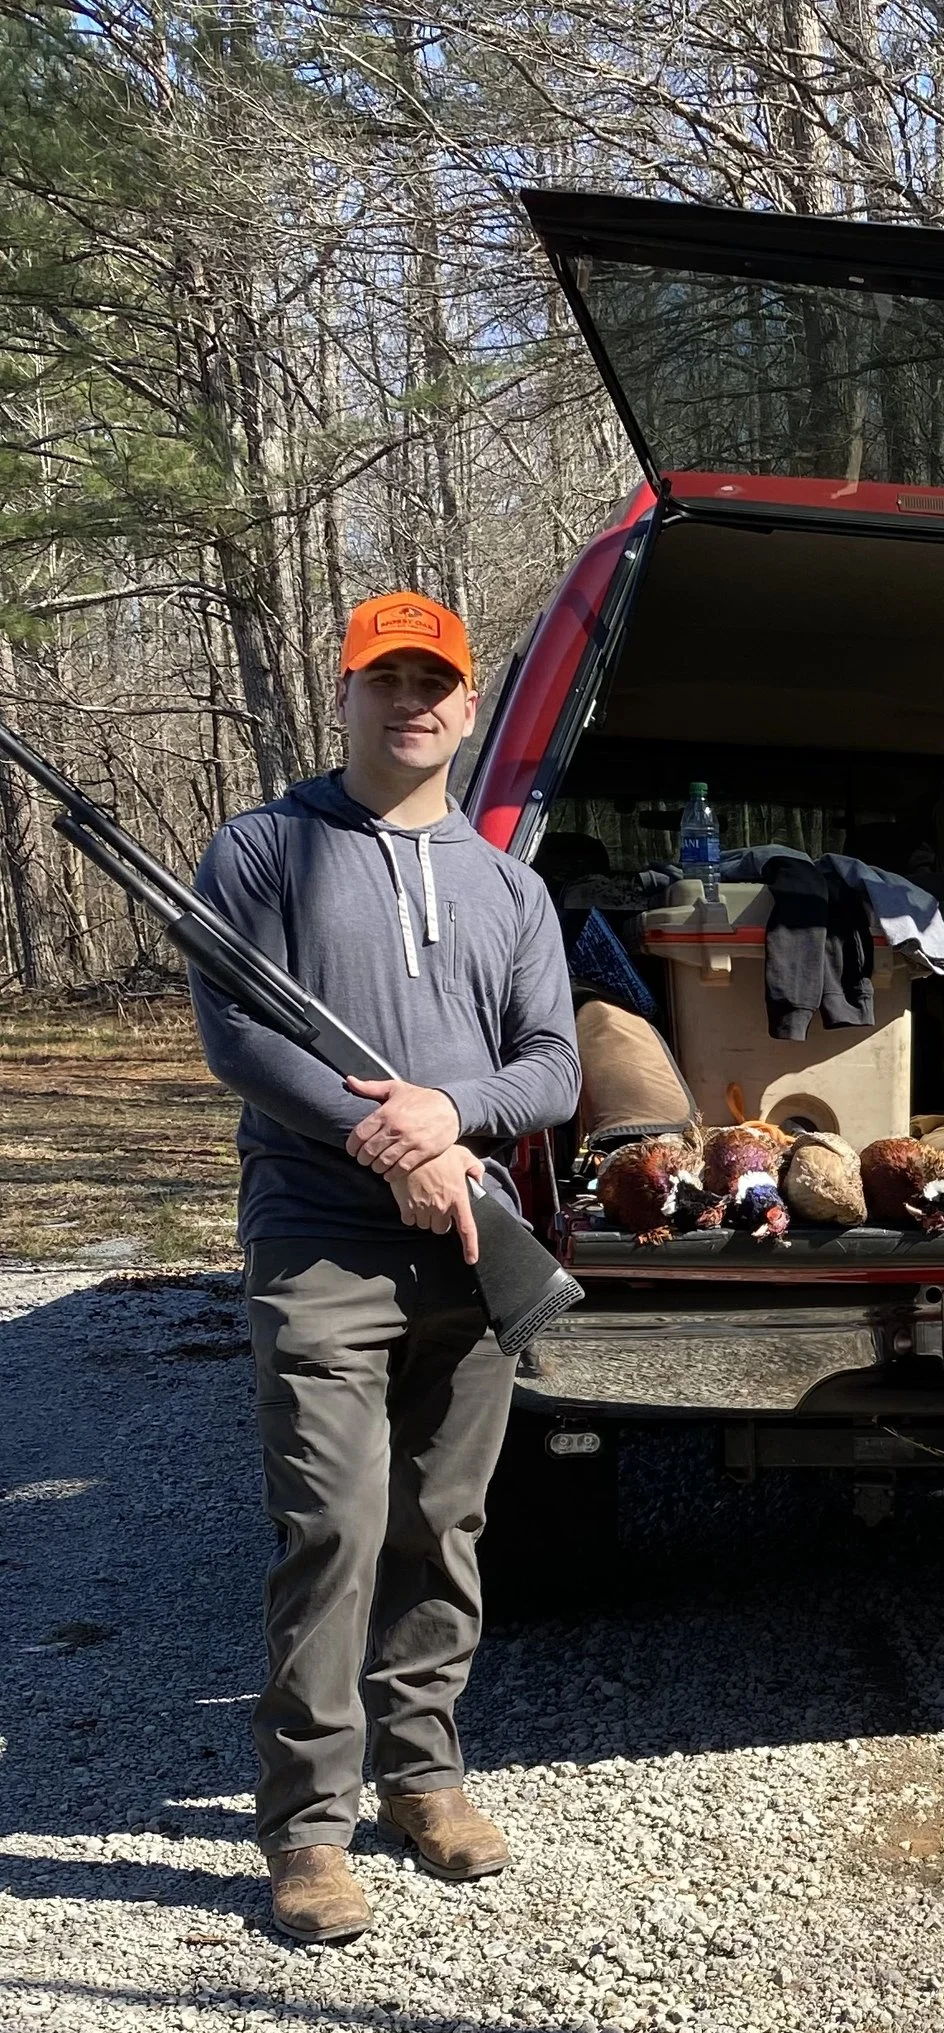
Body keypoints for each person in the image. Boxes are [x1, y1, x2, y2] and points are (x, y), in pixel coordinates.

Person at [191, 591, 580, 1939]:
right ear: (343, 693)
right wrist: (378, 1132)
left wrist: (448, 1117)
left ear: (470, 708)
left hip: (471, 1242)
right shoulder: (261, 848)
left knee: (444, 1523)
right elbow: (241, 1040)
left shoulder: (511, 885)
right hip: (318, 1241)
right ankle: (307, 1825)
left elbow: (554, 1063)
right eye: (386, 677)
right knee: (334, 1527)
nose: (412, 698)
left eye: (438, 680)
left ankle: (423, 1775)